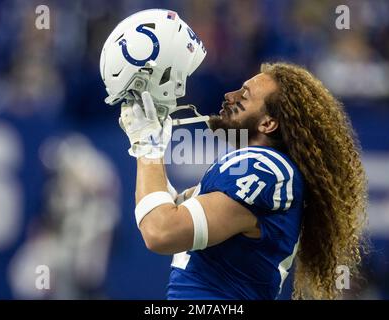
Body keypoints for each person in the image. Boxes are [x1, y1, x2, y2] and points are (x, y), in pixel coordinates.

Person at [119, 62, 368, 299]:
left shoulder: (265, 169)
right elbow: (167, 208)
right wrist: (151, 144)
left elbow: (161, 231)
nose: (230, 95)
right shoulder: (259, 169)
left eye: (244, 95)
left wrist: (147, 148)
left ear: (268, 123)